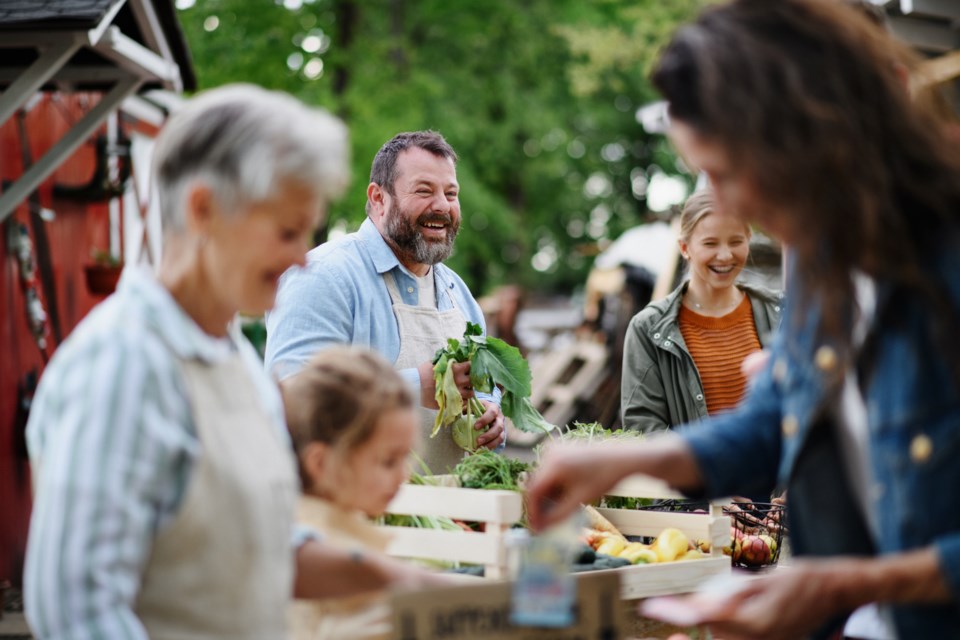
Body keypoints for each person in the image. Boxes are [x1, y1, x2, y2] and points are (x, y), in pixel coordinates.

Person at [527, 1, 960, 639]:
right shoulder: (819, 255)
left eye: (728, 172)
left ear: (815, 131)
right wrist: (625, 461)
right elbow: (777, 415)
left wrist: (847, 584)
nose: (723, 206)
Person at [23, 84, 445, 640]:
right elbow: (78, 611)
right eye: (287, 231)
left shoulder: (234, 362)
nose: (301, 258)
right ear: (204, 210)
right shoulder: (124, 366)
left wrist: (420, 588)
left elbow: (265, 550)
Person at [265, 130, 504, 473]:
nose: (442, 205)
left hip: (451, 519)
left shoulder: (458, 294)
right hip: (352, 517)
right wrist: (408, 388)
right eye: (424, 190)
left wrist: (490, 413)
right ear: (379, 198)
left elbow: (483, 390)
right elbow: (291, 400)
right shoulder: (323, 277)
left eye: (451, 193)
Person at [282, 346, 418, 639]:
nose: (403, 475)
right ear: (320, 463)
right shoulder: (331, 554)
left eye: (406, 458)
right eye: (388, 461)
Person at [621, 188, 781, 433]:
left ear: (749, 239)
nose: (725, 255)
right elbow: (643, 428)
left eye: (736, 241)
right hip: (694, 472)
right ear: (685, 248)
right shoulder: (647, 328)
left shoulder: (781, 313)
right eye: (710, 243)